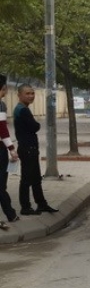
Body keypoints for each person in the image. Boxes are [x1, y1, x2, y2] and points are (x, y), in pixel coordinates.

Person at [13, 84, 59, 216]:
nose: (31, 96)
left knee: (35, 179)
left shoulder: (22, 109)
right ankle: (25, 207)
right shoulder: (23, 110)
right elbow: (34, 127)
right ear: (19, 95)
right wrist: (37, 124)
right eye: (27, 93)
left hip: (29, 148)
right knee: (27, 179)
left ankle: (42, 204)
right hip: (28, 148)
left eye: (32, 93)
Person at [0, 75, 19, 230]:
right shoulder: (0, 105)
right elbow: (2, 129)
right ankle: (10, 214)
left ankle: (10, 213)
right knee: (1, 184)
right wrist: (11, 149)